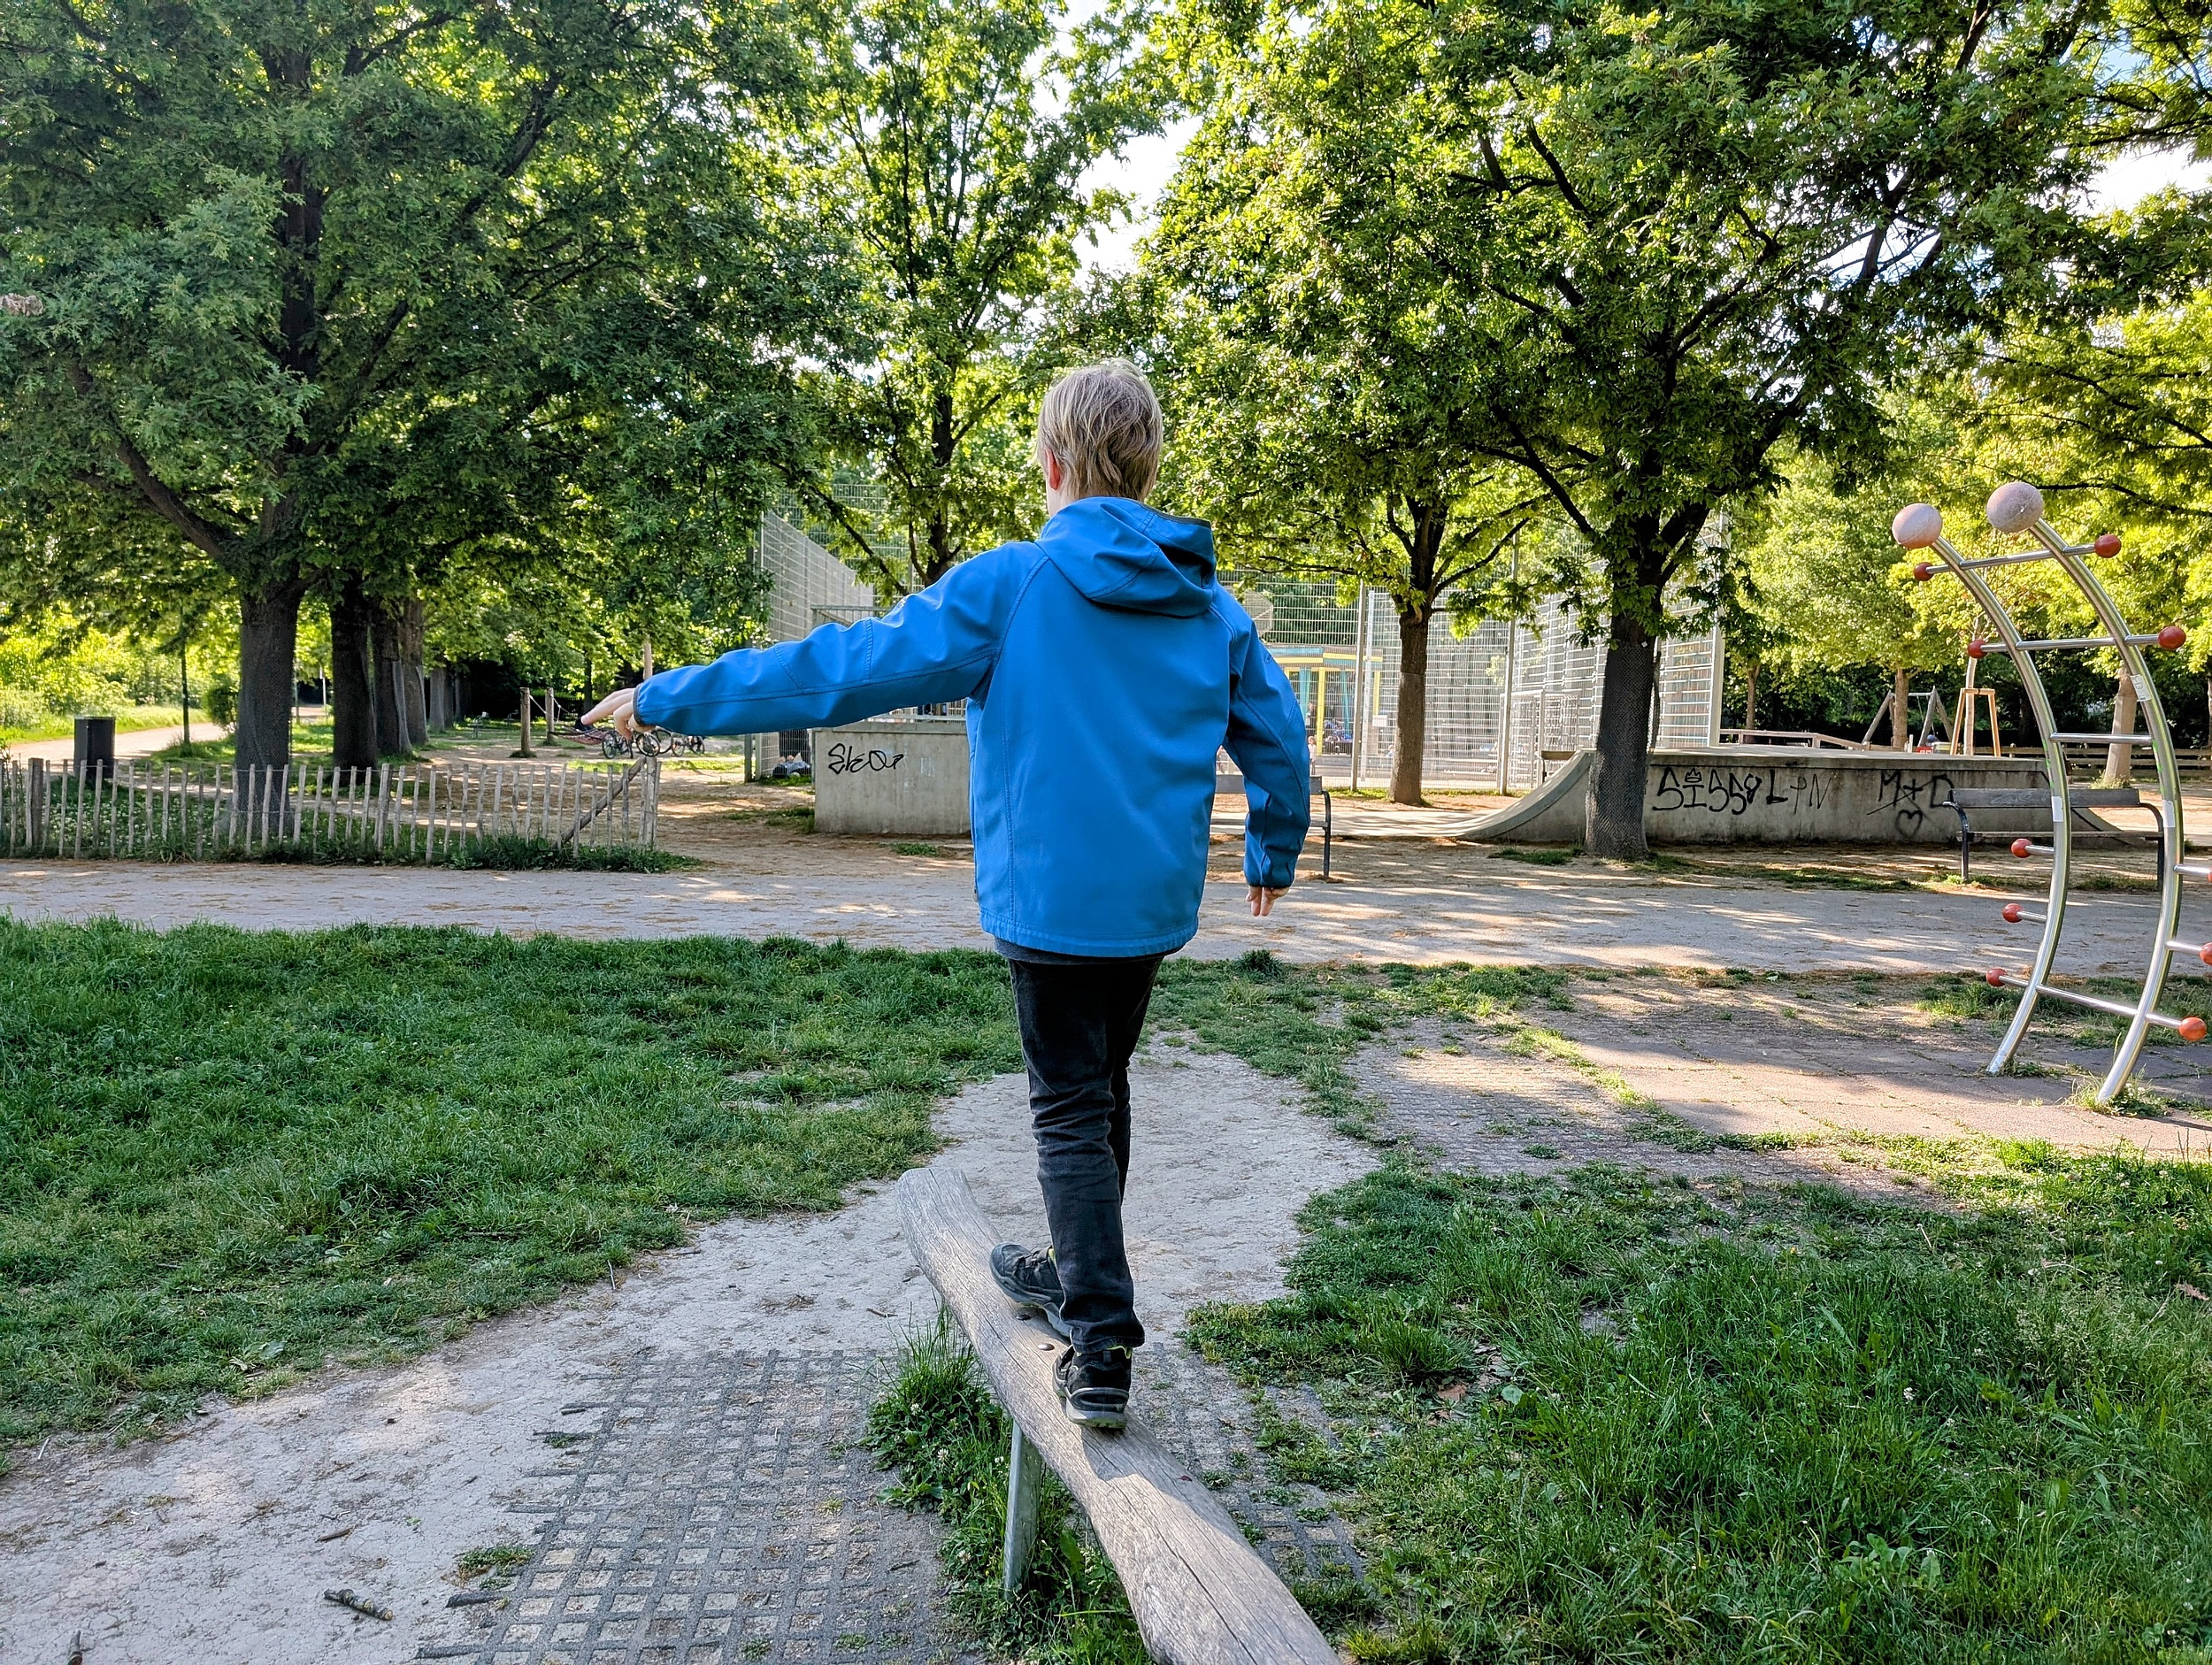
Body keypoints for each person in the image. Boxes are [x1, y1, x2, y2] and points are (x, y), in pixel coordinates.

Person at [583, 361, 1310, 1430]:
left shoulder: (1013, 583)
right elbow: (1276, 731)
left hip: (1050, 901)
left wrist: (667, 698)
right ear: (1147, 463)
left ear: (1050, 461)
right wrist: (1271, 848)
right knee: (1100, 1091)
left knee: (1067, 1104)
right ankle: (1075, 1267)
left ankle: (1100, 1336)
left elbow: (841, 668)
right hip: (1149, 904)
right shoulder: (1206, 599)